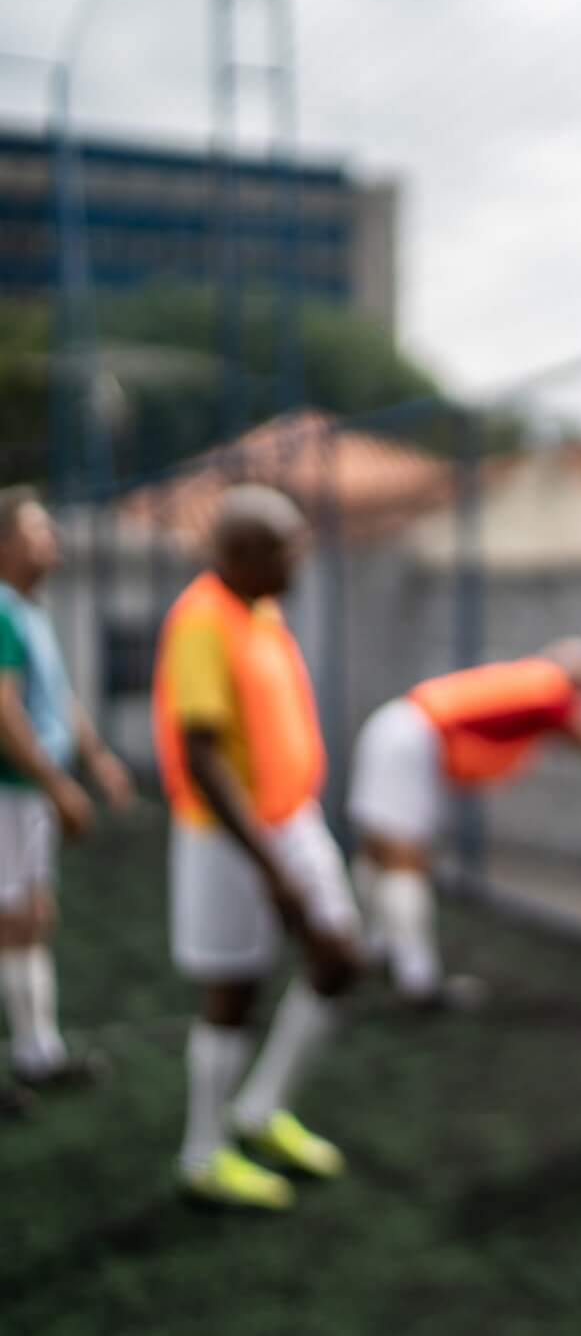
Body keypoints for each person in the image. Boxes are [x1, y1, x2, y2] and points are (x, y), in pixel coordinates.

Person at [154, 484, 363, 1211]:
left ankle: (260, 1107)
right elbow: (202, 756)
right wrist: (271, 867)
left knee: (339, 958)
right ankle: (204, 1154)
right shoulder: (201, 620)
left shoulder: (261, 610)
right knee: (233, 991)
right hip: (229, 838)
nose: (301, 557)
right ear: (241, 555)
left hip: (291, 820)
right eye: (288, 547)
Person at [347, 639, 581, 1007]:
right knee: (404, 860)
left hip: (397, 724)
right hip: (416, 739)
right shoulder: (551, 690)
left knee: (377, 852)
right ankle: (416, 978)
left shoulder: (527, 680)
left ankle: (376, 948)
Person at [0, 489, 132, 1117]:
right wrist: (58, 783)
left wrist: (96, 756)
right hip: (9, 792)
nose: (50, 538)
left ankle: (37, 1052)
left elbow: (56, 697)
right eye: (36, 530)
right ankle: (33, 1052)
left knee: (30, 917)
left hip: (25, 793)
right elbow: (2, 712)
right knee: (11, 920)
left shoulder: (28, 610)